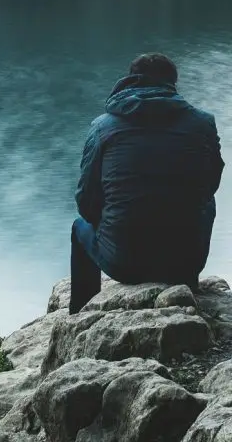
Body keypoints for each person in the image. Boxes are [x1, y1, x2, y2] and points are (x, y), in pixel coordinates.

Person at [70, 53, 224, 314]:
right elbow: (210, 184)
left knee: (80, 227)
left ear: (130, 81)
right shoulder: (203, 124)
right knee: (206, 202)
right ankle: (187, 286)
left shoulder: (103, 127)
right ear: (172, 84)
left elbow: (86, 201)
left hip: (124, 264)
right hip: (184, 263)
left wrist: (113, 222)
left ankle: (83, 313)